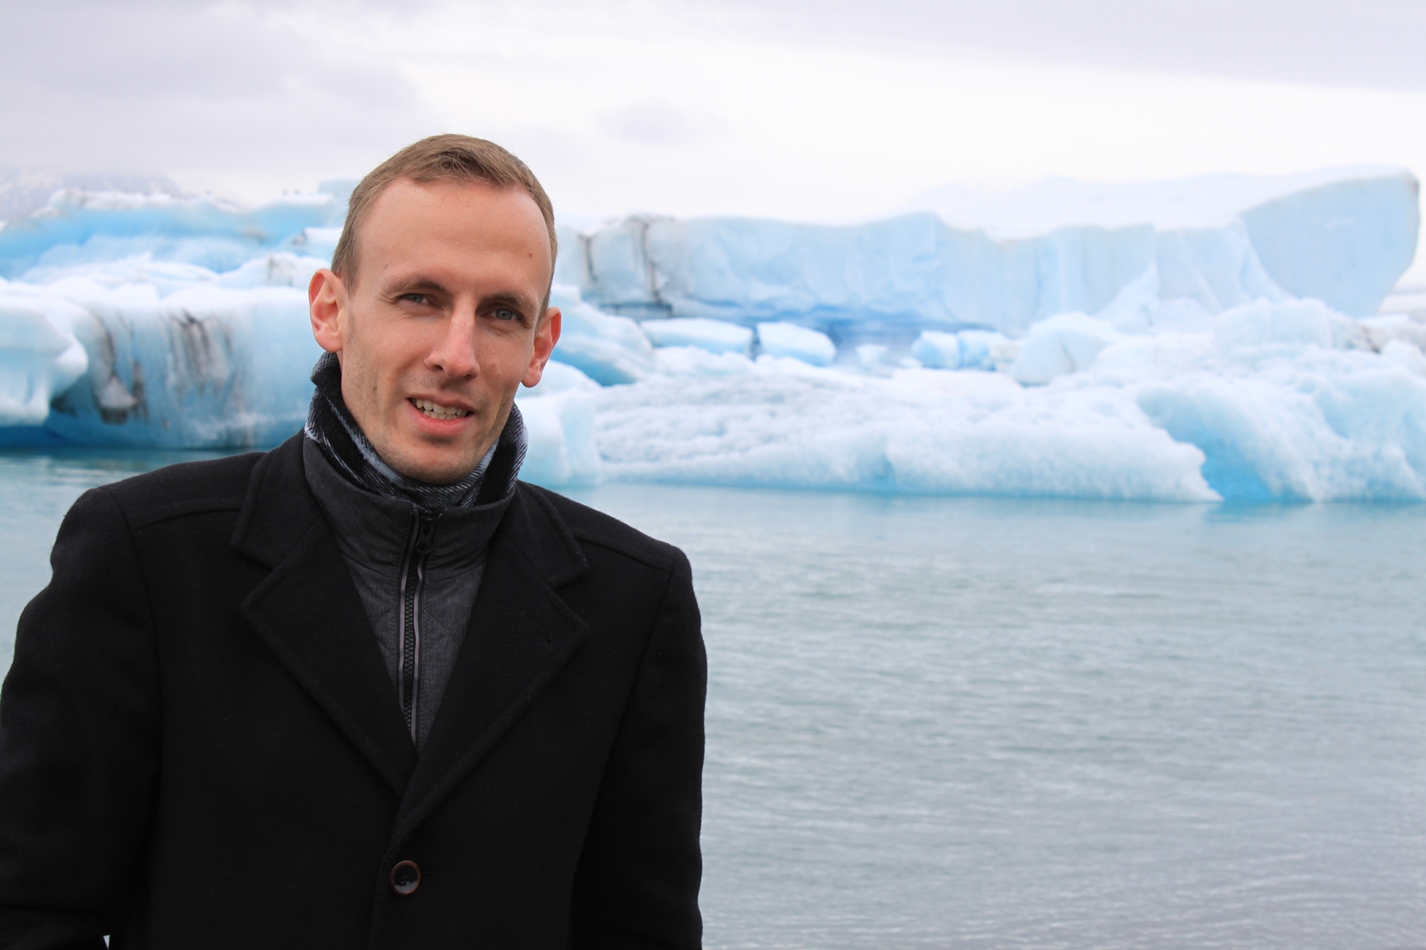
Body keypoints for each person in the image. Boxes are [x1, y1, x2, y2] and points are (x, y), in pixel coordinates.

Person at [0, 134, 706, 949]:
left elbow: (642, 930)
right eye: (419, 298)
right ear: (330, 310)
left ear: (540, 345)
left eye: (500, 313)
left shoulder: (634, 598)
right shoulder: (146, 557)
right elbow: (30, 905)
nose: (456, 354)